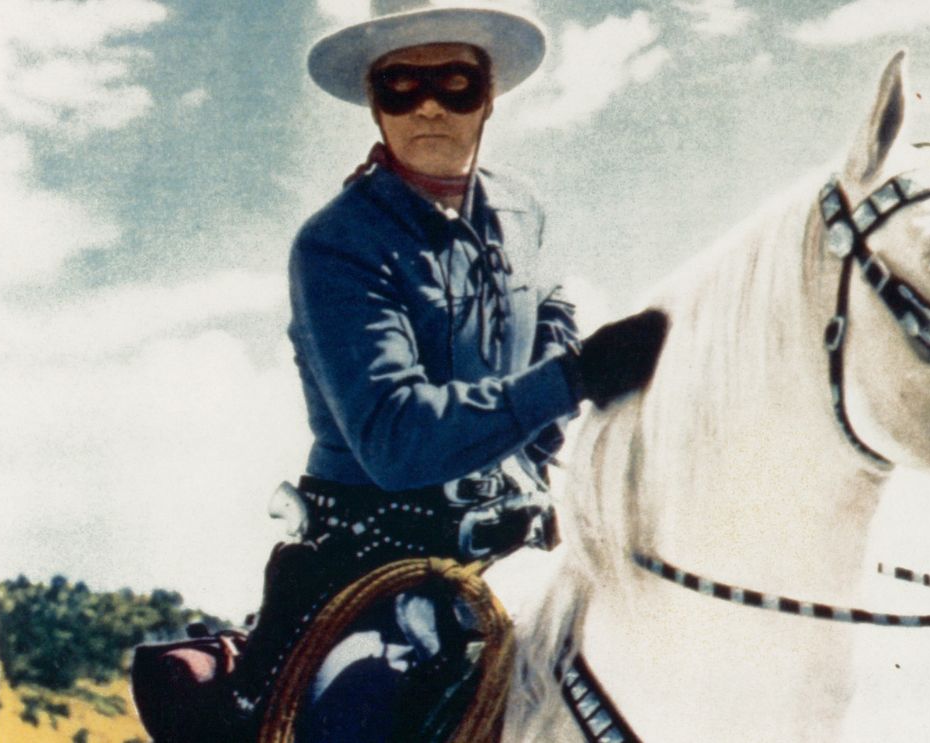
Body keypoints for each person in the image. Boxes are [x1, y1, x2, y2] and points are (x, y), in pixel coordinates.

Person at [230, 2, 667, 740]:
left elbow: (550, 398)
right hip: (376, 557)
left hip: (517, 542)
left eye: (454, 83)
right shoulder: (335, 244)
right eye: (401, 86)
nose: (428, 106)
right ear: (374, 102)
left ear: (488, 96)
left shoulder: (523, 213)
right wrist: (576, 374)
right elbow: (396, 439)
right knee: (366, 703)